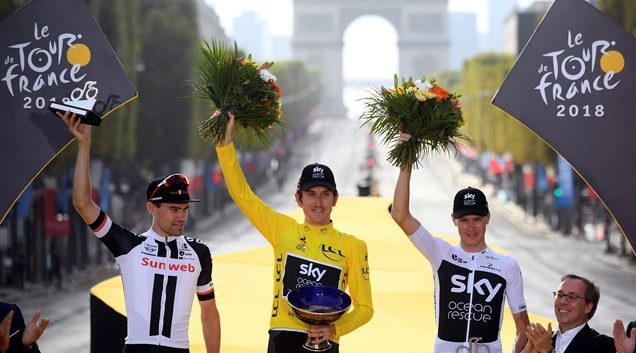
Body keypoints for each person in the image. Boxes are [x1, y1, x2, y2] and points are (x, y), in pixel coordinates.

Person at [59, 112, 221, 353]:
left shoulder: (199, 252)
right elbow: (83, 204)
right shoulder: (129, 246)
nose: (182, 216)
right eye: (174, 209)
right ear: (151, 208)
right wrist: (84, 145)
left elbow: (209, 313)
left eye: (185, 209)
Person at [214, 111, 373, 353]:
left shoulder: (353, 246)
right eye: (311, 194)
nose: (318, 202)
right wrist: (225, 145)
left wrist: (335, 329)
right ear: (298, 198)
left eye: (325, 194)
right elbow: (242, 194)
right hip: (282, 337)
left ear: (335, 199)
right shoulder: (282, 229)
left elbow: (365, 308)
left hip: (326, 341)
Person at [390, 136, 529, 353]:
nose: (471, 227)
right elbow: (399, 215)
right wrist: (406, 160)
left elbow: (524, 328)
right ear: (454, 220)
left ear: (488, 218)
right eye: (464, 220)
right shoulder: (440, 253)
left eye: (477, 219)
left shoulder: (507, 265)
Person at [522, 274, 615, 353]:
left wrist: (548, 350)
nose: (562, 301)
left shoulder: (604, 345)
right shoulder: (538, 341)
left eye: (571, 297)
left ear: (588, 307)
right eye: (560, 295)